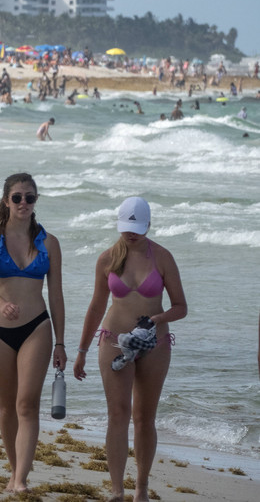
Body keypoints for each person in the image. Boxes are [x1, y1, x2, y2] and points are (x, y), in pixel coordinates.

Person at [73, 196, 187, 502]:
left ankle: (141, 488)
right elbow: (96, 305)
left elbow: (181, 307)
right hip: (113, 339)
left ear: (148, 225)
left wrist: (155, 319)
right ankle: (116, 490)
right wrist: (81, 349)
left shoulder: (162, 257)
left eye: (137, 227)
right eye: (127, 227)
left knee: (144, 417)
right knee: (117, 414)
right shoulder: (107, 258)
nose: (131, 233)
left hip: (155, 343)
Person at [0, 173, 66, 493]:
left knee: (27, 404)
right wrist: (1, 304)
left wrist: (61, 342)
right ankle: (14, 471)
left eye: (30, 197)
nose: (24, 203)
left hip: (37, 328)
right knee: (7, 405)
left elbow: (56, 295)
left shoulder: (49, 242)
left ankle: (22, 480)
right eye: (17, 197)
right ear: (6, 201)